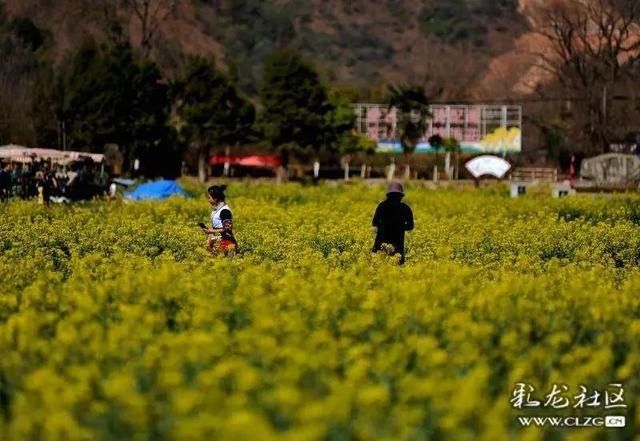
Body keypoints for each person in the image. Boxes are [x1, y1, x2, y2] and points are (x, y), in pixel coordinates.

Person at [372, 181, 414, 264]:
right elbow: (410, 226)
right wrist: (399, 227)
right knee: (396, 268)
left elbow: (374, 222)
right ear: (401, 196)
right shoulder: (405, 208)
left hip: (381, 243)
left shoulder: (382, 206)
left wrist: (385, 225)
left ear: (388, 195)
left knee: (379, 266)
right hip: (397, 245)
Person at [201, 184, 239, 255]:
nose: (208, 200)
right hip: (218, 240)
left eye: (209, 198)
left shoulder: (224, 211)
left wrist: (212, 231)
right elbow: (218, 225)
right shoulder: (216, 210)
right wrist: (211, 230)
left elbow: (228, 228)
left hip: (226, 242)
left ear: (215, 199)